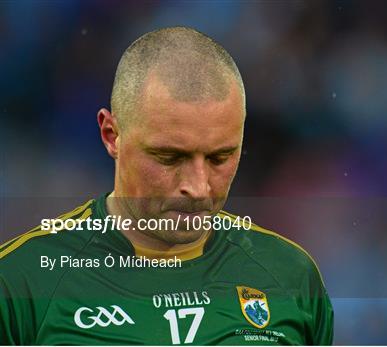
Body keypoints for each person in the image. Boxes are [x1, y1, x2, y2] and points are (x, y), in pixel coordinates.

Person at [0, 27, 333, 345]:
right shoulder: (20, 283)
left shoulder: (290, 275)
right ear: (112, 136)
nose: (199, 187)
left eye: (220, 157)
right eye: (170, 157)